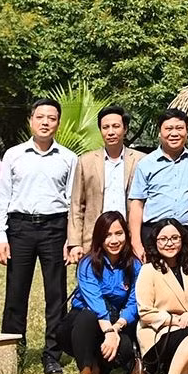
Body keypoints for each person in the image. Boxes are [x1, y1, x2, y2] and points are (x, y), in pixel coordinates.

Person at [0, 98, 79, 374]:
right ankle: (13, 352)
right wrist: (0, 236)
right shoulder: (13, 155)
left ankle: (52, 354)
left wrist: (71, 238)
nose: (45, 122)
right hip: (19, 228)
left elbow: (72, 202)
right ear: (31, 120)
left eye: (52, 118)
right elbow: (2, 197)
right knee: (16, 293)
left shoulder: (69, 158)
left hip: (55, 229)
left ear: (58, 122)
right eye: (40, 117)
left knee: (55, 295)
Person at [66, 211, 141, 374]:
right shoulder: (87, 264)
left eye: (119, 233)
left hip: (116, 322)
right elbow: (95, 303)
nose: (114, 240)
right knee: (87, 317)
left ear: (127, 234)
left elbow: (134, 302)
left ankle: (99, 369)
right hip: (81, 323)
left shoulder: (135, 265)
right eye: (107, 235)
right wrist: (109, 331)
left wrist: (116, 329)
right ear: (99, 238)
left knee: (124, 350)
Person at [135, 218, 188, 374]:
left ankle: (174, 369)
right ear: (155, 242)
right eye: (163, 239)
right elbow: (145, 312)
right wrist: (175, 320)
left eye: (175, 238)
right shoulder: (148, 270)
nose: (169, 243)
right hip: (160, 334)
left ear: (182, 240)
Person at [128, 108, 188, 260]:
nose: (174, 133)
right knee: (154, 279)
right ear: (160, 133)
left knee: (186, 280)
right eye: (168, 129)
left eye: (179, 128)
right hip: (154, 234)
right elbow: (137, 203)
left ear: (187, 132)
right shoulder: (146, 163)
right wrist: (136, 241)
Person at [68, 106, 144, 265]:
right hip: (95, 236)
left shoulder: (141, 160)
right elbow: (77, 204)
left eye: (116, 126)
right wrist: (74, 243)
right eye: (105, 127)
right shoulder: (86, 161)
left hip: (130, 236)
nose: (110, 132)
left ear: (125, 129)